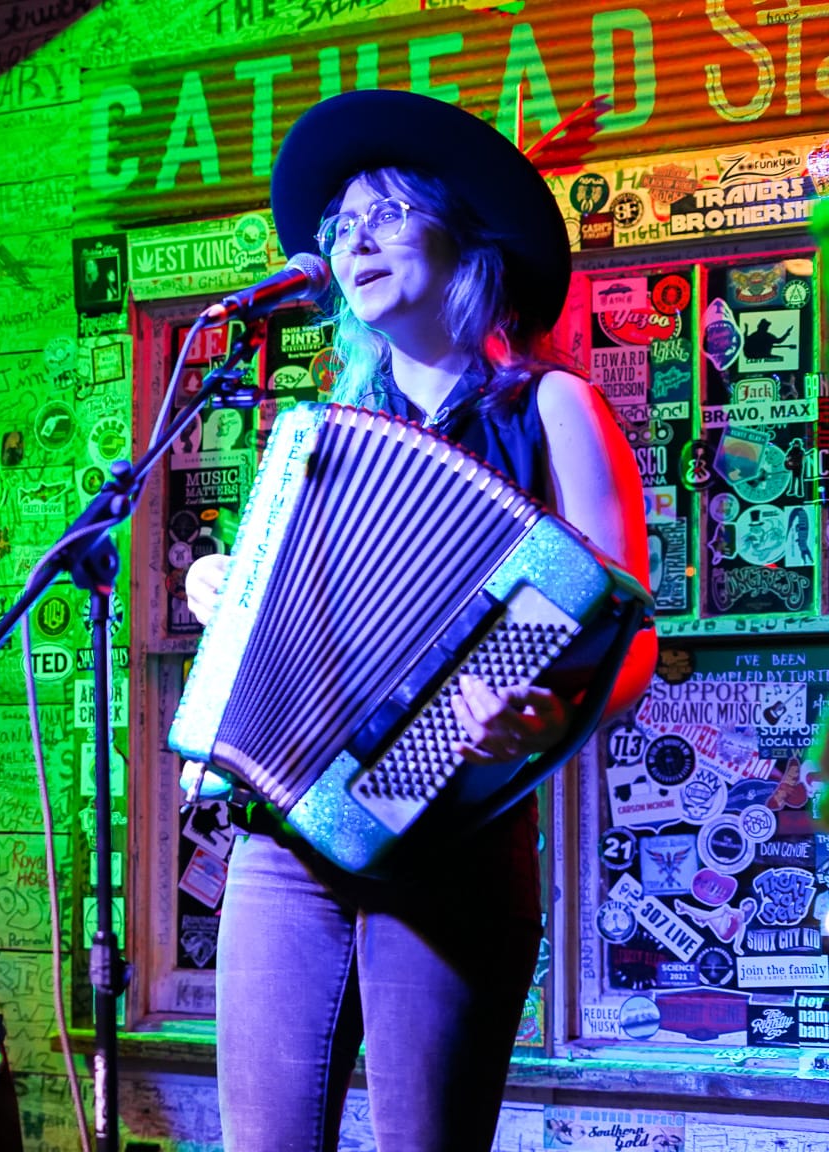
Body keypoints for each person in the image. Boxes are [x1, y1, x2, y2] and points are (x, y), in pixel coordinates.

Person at [184, 90, 656, 1151]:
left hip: (452, 840)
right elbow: (282, 614)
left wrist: (548, 715)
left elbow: (626, 636)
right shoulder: (320, 433)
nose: (353, 238)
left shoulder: (552, 410)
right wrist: (216, 587)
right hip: (283, 833)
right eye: (340, 222)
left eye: (386, 212)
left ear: (464, 235)